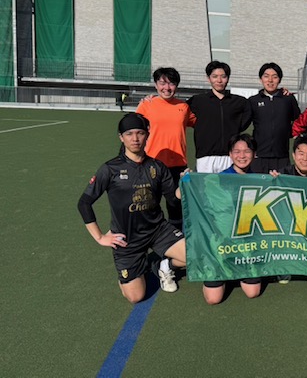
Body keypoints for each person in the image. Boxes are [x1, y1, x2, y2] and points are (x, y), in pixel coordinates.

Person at [77, 113, 186, 304]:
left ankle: (162, 265)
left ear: (147, 135)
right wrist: (100, 237)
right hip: (127, 239)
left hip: (158, 230)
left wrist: (184, 187)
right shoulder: (110, 169)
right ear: (121, 137)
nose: (135, 138)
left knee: (195, 256)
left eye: (140, 133)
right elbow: (84, 203)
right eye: (129, 134)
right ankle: (134, 269)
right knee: (136, 297)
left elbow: (172, 197)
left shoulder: (157, 167)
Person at [201, 134, 262, 305]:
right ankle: (221, 267)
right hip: (221, 245)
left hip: (245, 245)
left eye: (247, 151)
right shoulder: (217, 180)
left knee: (252, 292)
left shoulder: (260, 180)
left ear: (254, 154)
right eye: (237, 151)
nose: (242, 156)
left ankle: (236, 269)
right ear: (230, 154)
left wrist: (275, 181)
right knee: (213, 299)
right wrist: (187, 180)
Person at [136, 67, 196, 230]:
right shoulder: (147, 105)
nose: (167, 88)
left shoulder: (183, 107)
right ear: (156, 84)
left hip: (178, 166)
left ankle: (176, 242)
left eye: (171, 83)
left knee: (176, 207)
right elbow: (134, 131)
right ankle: (150, 240)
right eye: (162, 83)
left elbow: (200, 123)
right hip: (151, 165)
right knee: (149, 206)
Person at [269, 135, 307, 284]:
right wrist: (270, 182)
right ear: (294, 155)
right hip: (288, 227)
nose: (305, 159)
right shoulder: (281, 175)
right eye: (301, 153)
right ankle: (284, 264)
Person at [187, 61, 251, 173]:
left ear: (228, 78)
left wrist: (234, 127)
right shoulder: (197, 100)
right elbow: (181, 112)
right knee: (205, 184)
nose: (219, 80)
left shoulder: (239, 102)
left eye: (223, 76)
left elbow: (247, 118)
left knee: (229, 184)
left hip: (230, 155)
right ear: (208, 78)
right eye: (215, 76)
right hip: (205, 157)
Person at [248, 62, 301, 173]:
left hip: (282, 155)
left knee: (280, 183)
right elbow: (244, 122)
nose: (270, 80)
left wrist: (290, 133)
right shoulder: (253, 101)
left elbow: (299, 121)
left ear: (279, 80)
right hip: (259, 155)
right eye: (266, 76)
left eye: (274, 77)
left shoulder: (288, 99)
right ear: (261, 79)